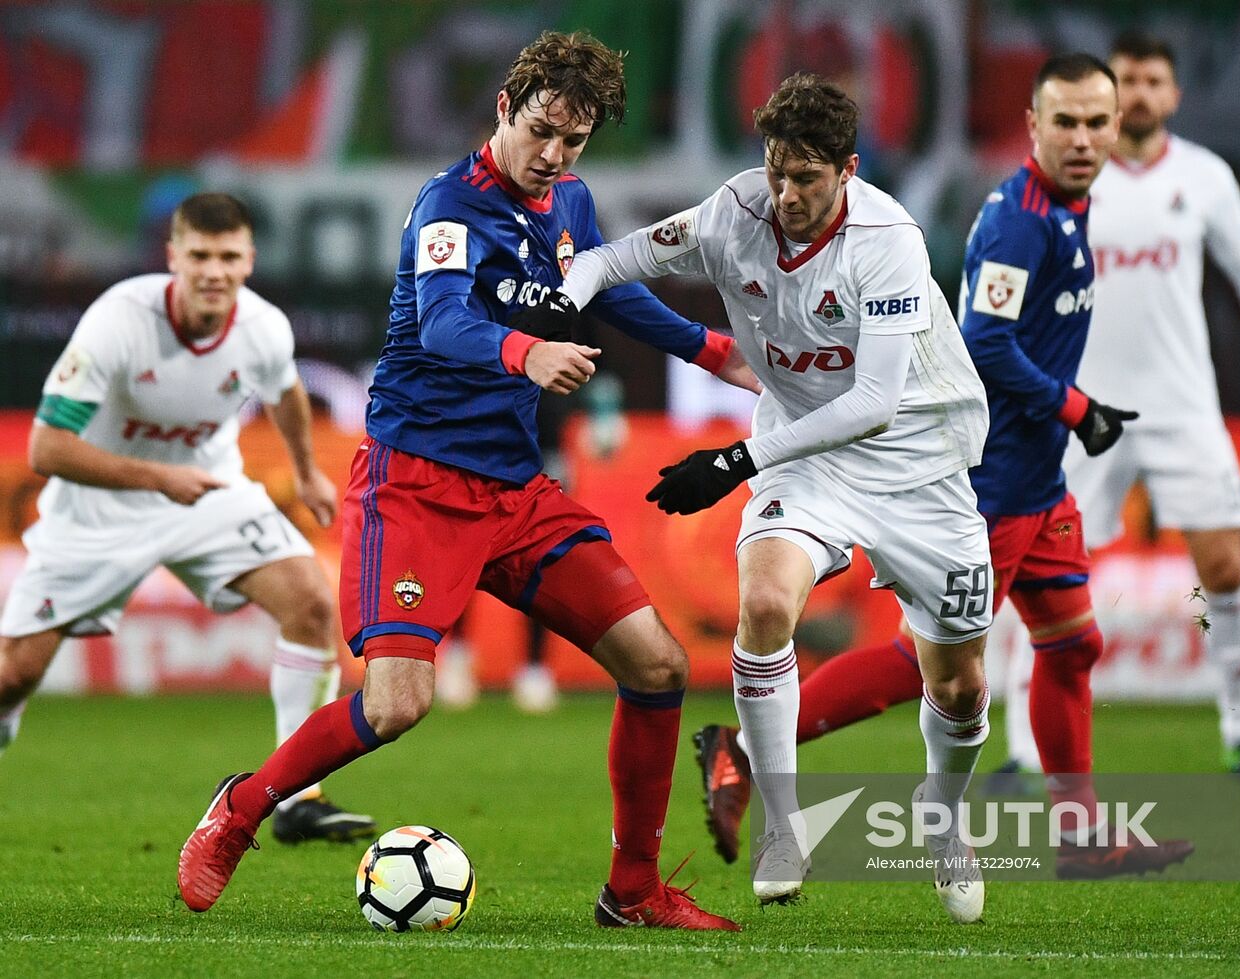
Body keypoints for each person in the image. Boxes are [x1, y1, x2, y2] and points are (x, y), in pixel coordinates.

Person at [177, 31, 754, 931]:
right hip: (416, 489)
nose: (554, 157)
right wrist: (528, 352)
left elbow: (605, 290)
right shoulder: (449, 206)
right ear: (504, 108)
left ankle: (633, 891)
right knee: (398, 702)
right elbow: (446, 325)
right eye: (541, 133)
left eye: (574, 141)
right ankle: (241, 809)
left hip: (513, 493)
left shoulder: (569, 201)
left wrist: (720, 353)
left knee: (658, 663)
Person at [693, 54, 1195, 881]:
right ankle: (743, 755)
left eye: (1096, 123)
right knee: (927, 667)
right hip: (987, 478)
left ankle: (1079, 831)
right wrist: (1080, 409)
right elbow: (990, 344)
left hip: (1039, 477)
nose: (1082, 139)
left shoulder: (1072, 209)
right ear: (1033, 126)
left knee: (1072, 644)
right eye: (1063, 122)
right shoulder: (1018, 222)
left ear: (1119, 128)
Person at [539, 73, 996, 923]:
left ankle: (946, 815)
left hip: (919, 461)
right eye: (777, 172)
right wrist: (564, 301)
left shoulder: (887, 239)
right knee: (764, 605)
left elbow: (875, 402)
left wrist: (734, 460)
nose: (786, 195)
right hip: (806, 457)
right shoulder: (732, 213)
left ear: (848, 170)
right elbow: (611, 259)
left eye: (807, 179)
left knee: (962, 683)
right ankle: (783, 826)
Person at [988, 31, 1240, 800]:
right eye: (1129, 82)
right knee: (1035, 578)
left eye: (1154, 81)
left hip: (1182, 404)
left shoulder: (1205, 178)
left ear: (1173, 96)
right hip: (1080, 410)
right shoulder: (1062, 186)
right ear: (1108, 103)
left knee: (1222, 566)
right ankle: (1019, 755)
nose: (1141, 94)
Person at [0, 192, 376, 845]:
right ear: (173, 257)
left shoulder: (261, 326)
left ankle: (294, 796)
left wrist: (308, 467)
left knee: (313, 604)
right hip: (99, 508)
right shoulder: (117, 321)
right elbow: (46, 449)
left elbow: (285, 390)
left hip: (208, 488)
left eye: (228, 256)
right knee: (15, 673)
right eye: (199, 255)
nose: (213, 270)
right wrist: (156, 476)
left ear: (249, 260)